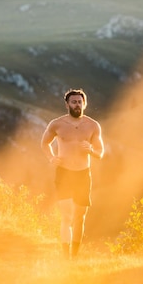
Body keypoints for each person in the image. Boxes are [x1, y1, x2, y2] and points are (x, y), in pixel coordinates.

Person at [41, 89, 104, 259]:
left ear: (84, 104)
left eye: (79, 102)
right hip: (64, 173)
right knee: (67, 215)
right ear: (67, 104)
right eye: (73, 102)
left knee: (80, 217)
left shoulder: (92, 125)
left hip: (83, 174)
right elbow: (44, 143)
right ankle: (65, 256)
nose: (77, 105)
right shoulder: (57, 124)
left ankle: (74, 257)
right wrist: (51, 158)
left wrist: (91, 150)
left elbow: (100, 152)